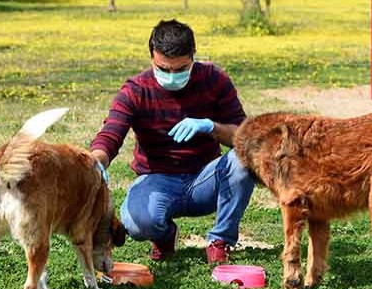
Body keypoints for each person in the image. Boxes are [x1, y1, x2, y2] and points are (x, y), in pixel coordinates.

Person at [90, 19, 255, 264]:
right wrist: (95, 163)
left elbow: (246, 137)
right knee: (137, 223)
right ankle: (165, 236)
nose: (172, 76)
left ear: (193, 57)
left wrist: (211, 126)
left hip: (206, 179)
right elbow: (110, 135)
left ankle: (219, 241)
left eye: (180, 69)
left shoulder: (214, 80)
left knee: (245, 157)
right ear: (152, 59)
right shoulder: (136, 90)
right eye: (163, 69)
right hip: (157, 179)